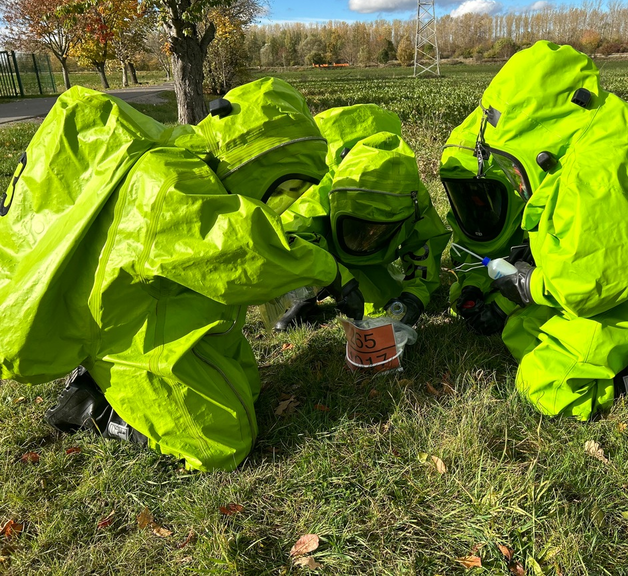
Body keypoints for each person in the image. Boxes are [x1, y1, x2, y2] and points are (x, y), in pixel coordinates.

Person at [0, 78, 362, 470]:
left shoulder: (187, 165)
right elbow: (242, 250)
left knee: (248, 389)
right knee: (223, 442)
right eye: (285, 186)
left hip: (152, 312)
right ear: (254, 158)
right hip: (126, 335)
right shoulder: (167, 181)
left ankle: (108, 386)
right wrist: (331, 273)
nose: (279, 203)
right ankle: (98, 407)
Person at [452, 40, 628, 419]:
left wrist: (528, 284)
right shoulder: (598, 131)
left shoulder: (590, 175)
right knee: (522, 328)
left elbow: (595, 283)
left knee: (542, 384)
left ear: (536, 133)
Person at [277, 104, 451, 329]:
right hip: (329, 241)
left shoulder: (411, 195)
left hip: (363, 250)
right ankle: (303, 297)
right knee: (297, 253)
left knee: (384, 301)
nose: (369, 235)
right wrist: (339, 281)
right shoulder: (321, 187)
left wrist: (415, 296)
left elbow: (424, 242)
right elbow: (294, 238)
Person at [440, 113, 529, 335]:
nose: (475, 204)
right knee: (457, 297)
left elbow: (549, 273)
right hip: (508, 276)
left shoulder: (531, 213)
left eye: (482, 196)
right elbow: (475, 257)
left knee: (524, 325)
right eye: (465, 196)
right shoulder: (467, 216)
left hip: (536, 284)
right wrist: (472, 288)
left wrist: (501, 308)